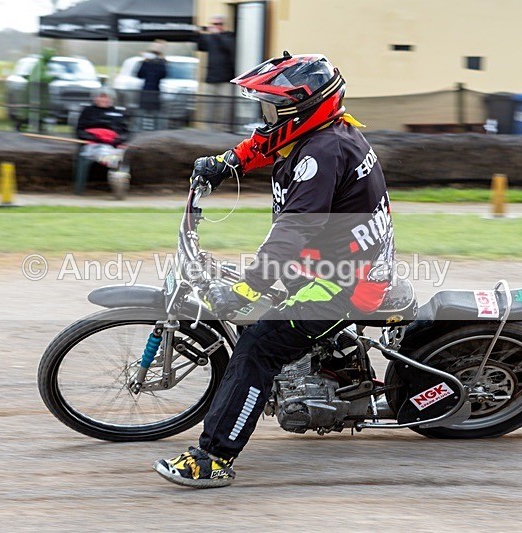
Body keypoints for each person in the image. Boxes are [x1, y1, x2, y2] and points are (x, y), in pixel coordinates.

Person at [153, 52, 396, 488]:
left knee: (257, 348)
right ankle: (336, 356)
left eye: (271, 108)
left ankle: (213, 460)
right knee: (262, 299)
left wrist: (251, 286)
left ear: (301, 110)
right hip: (328, 261)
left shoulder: (321, 154)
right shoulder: (319, 136)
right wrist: (226, 163)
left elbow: (294, 230)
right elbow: (265, 145)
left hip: (344, 281)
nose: (265, 118)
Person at [73, 87, 131, 198]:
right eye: (101, 97)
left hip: (113, 144)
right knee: (106, 153)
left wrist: (118, 139)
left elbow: (125, 132)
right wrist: (95, 137)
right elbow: (79, 131)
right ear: (95, 98)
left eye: (106, 98)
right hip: (92, 144)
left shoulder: (117, 113)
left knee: (121, 154)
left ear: (112, 99)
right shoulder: (87, 112)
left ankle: (119, 182)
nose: (103, 100)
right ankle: (117, 173)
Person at [197, 15, 236, 131]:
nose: (216, 27)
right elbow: (201, 47)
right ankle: (208, 130)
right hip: (210, 78)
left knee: (224, 108)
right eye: (214, 24)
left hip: (225, 79)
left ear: (223, 25)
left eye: (218, 24)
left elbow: (230, 47)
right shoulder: (210, 38)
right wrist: (199, 35)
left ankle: (223, 130)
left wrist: (217, 34)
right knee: (208, 107)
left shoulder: (229, 36)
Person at [136, 43, 168, 131]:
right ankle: (138, 131)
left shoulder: (161, 64)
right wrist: (145, 62)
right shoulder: (145, 63)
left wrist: (159, 62)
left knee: (156, 115)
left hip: (155, 91)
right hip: (145, 91)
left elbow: (163, 74)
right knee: (141, 114)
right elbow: (139, 74)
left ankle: (158, 132)